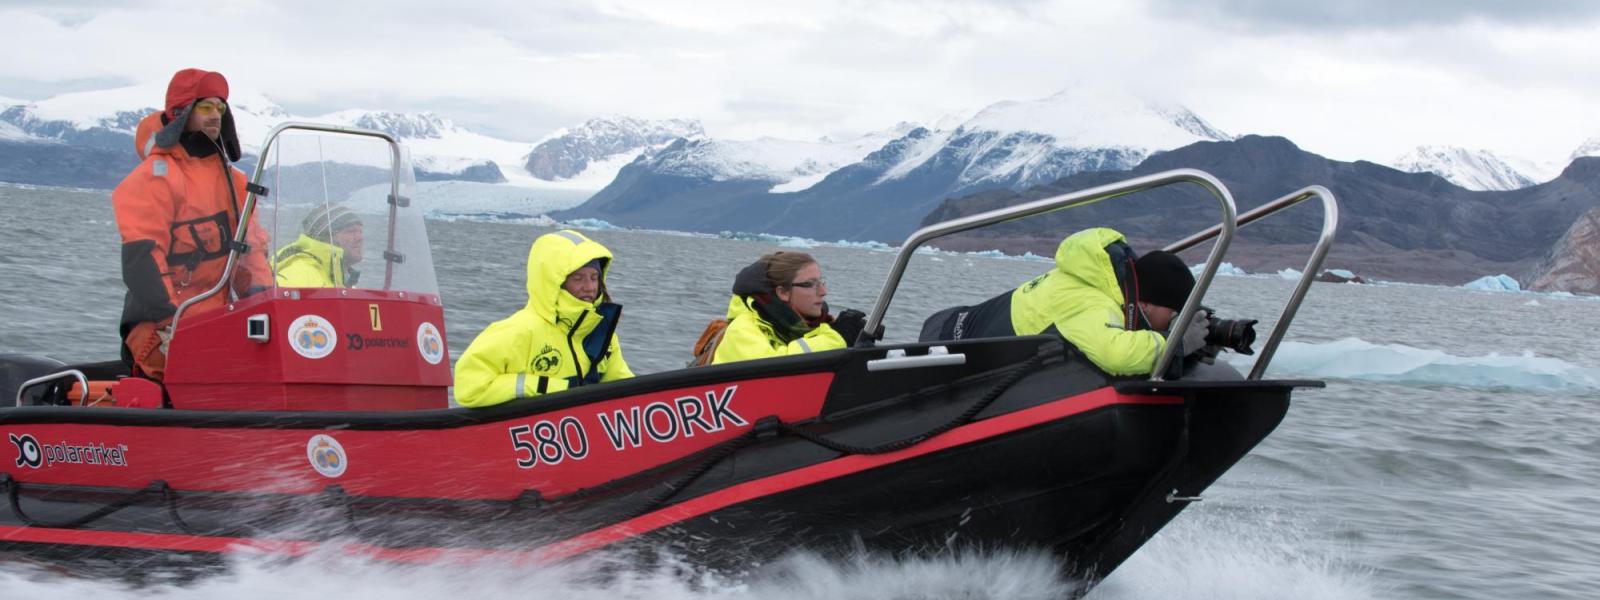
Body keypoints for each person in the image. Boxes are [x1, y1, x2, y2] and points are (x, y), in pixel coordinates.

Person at [111, 68, 270, 380]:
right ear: (182, 113)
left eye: (220, 108)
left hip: (218, 325)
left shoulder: (236, 182)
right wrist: (173, 323)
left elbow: (251, 256)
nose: (215, 115)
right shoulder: (154, 178)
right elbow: (143, 260)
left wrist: (266, 311)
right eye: (205, 107)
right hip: (160, 331)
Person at [919, 227, 1206, 377]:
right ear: (1147, 304)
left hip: (953, 330)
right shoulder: (1093, 302)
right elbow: (1115, 354)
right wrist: (1177, 344)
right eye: (1175, 314)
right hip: (945, 353)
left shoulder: (1101, 280)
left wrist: (1197, 346)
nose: (1175, 323)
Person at [453, 230, 634, 408]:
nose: (589, 287)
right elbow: (468, 388)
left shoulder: (603, 334)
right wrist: (544, 387)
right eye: (578, 278)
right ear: (554, 283)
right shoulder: (519, 331)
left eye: (594, 278)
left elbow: (628, 394)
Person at [709, 251, 866, 365]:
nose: (823, 292)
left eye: (821, 282)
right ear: (783, 292)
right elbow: (772, 368)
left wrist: (859, 340)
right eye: (810, 284)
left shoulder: (818, 328)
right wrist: (838, 337)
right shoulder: (742, 328)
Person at [274, 205, 364, 287]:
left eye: (360, 232)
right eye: (351, 231)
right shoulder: (298, 275)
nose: (360, 238)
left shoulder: (345, 282)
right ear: (327, 237)